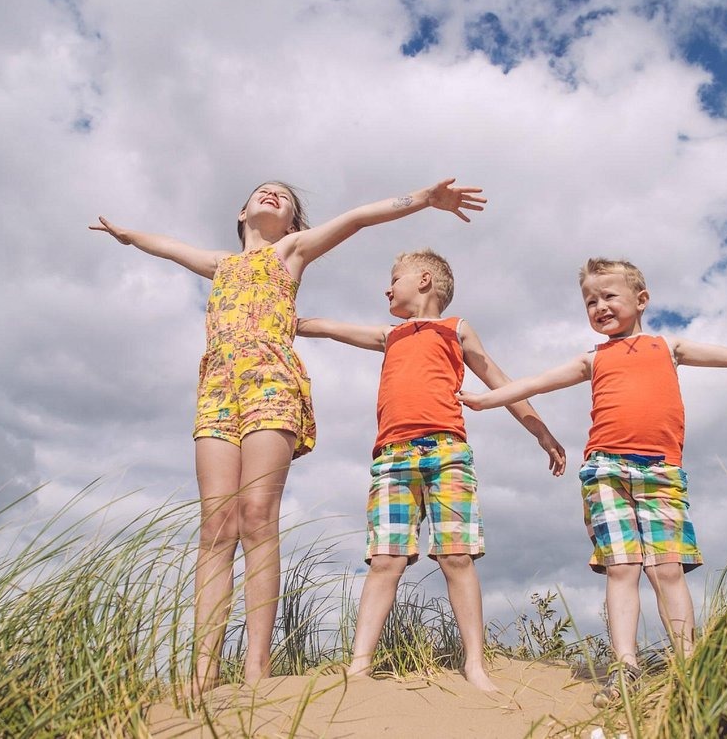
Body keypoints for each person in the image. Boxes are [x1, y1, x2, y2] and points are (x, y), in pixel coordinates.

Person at [90, 180, 486, 696]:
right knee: (216, 525)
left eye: (285, 196)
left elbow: (358, 217)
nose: (273, 194)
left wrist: (422, 199)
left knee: (256, 514)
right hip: (218, 388)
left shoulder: (291, 251)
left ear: (295, 224)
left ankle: (257, 670)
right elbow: (167, 246)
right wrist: (129, 236)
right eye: (263, 191)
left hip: (270, 384)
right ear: (242, 212)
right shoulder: (220, 264)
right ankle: (202, 674)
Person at [458, 258, 727, 705]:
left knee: (667, 569)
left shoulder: (668, 346)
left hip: (661, 472)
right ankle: (626, 666)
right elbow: (536, 383)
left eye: (609, 296)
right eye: (590, 301)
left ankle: (688, 666)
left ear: (641, 299)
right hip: (606, 471)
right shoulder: (592, 358)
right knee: (621, 567)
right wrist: (486, 400)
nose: (600, 307)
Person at [298, 249, 566, 691]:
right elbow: (326, 327)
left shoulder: (455, 328)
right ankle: (359, 666)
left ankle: (474, 664)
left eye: (394, 278)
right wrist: (282, 317)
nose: (387, 288)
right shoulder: (390, 335)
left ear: (424, 280)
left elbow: (501, 382)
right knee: (385, 559)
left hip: (447, 454)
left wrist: (541, 432)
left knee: (457, 556)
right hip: (392, 458)